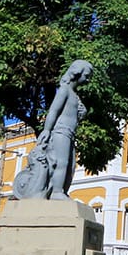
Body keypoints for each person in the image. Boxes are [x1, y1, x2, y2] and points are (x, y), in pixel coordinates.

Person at [41, 60, 92, 200]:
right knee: (61, 162)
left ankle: (62, 190)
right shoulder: (64, 90)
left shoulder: (74, 95)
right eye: (86, 75)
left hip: (70, 133)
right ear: (77, 73)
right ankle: (56, 191)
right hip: (61, 131)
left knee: (71, 166)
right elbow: (53, 110)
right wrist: (46, 130)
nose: (87, 80)